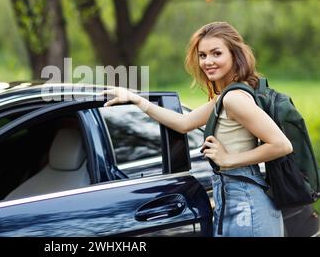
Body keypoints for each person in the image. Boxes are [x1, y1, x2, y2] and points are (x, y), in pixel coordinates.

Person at [101, 21, 292, 237]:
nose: (208, 61)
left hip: (246, 200)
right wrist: (138, 100)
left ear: (234, 55)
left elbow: (281, 144)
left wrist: (228, 160)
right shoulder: (226, 97)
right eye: (202, 55)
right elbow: (184, 123)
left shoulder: (234, 99)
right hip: (234, 196)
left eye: (216, 53)